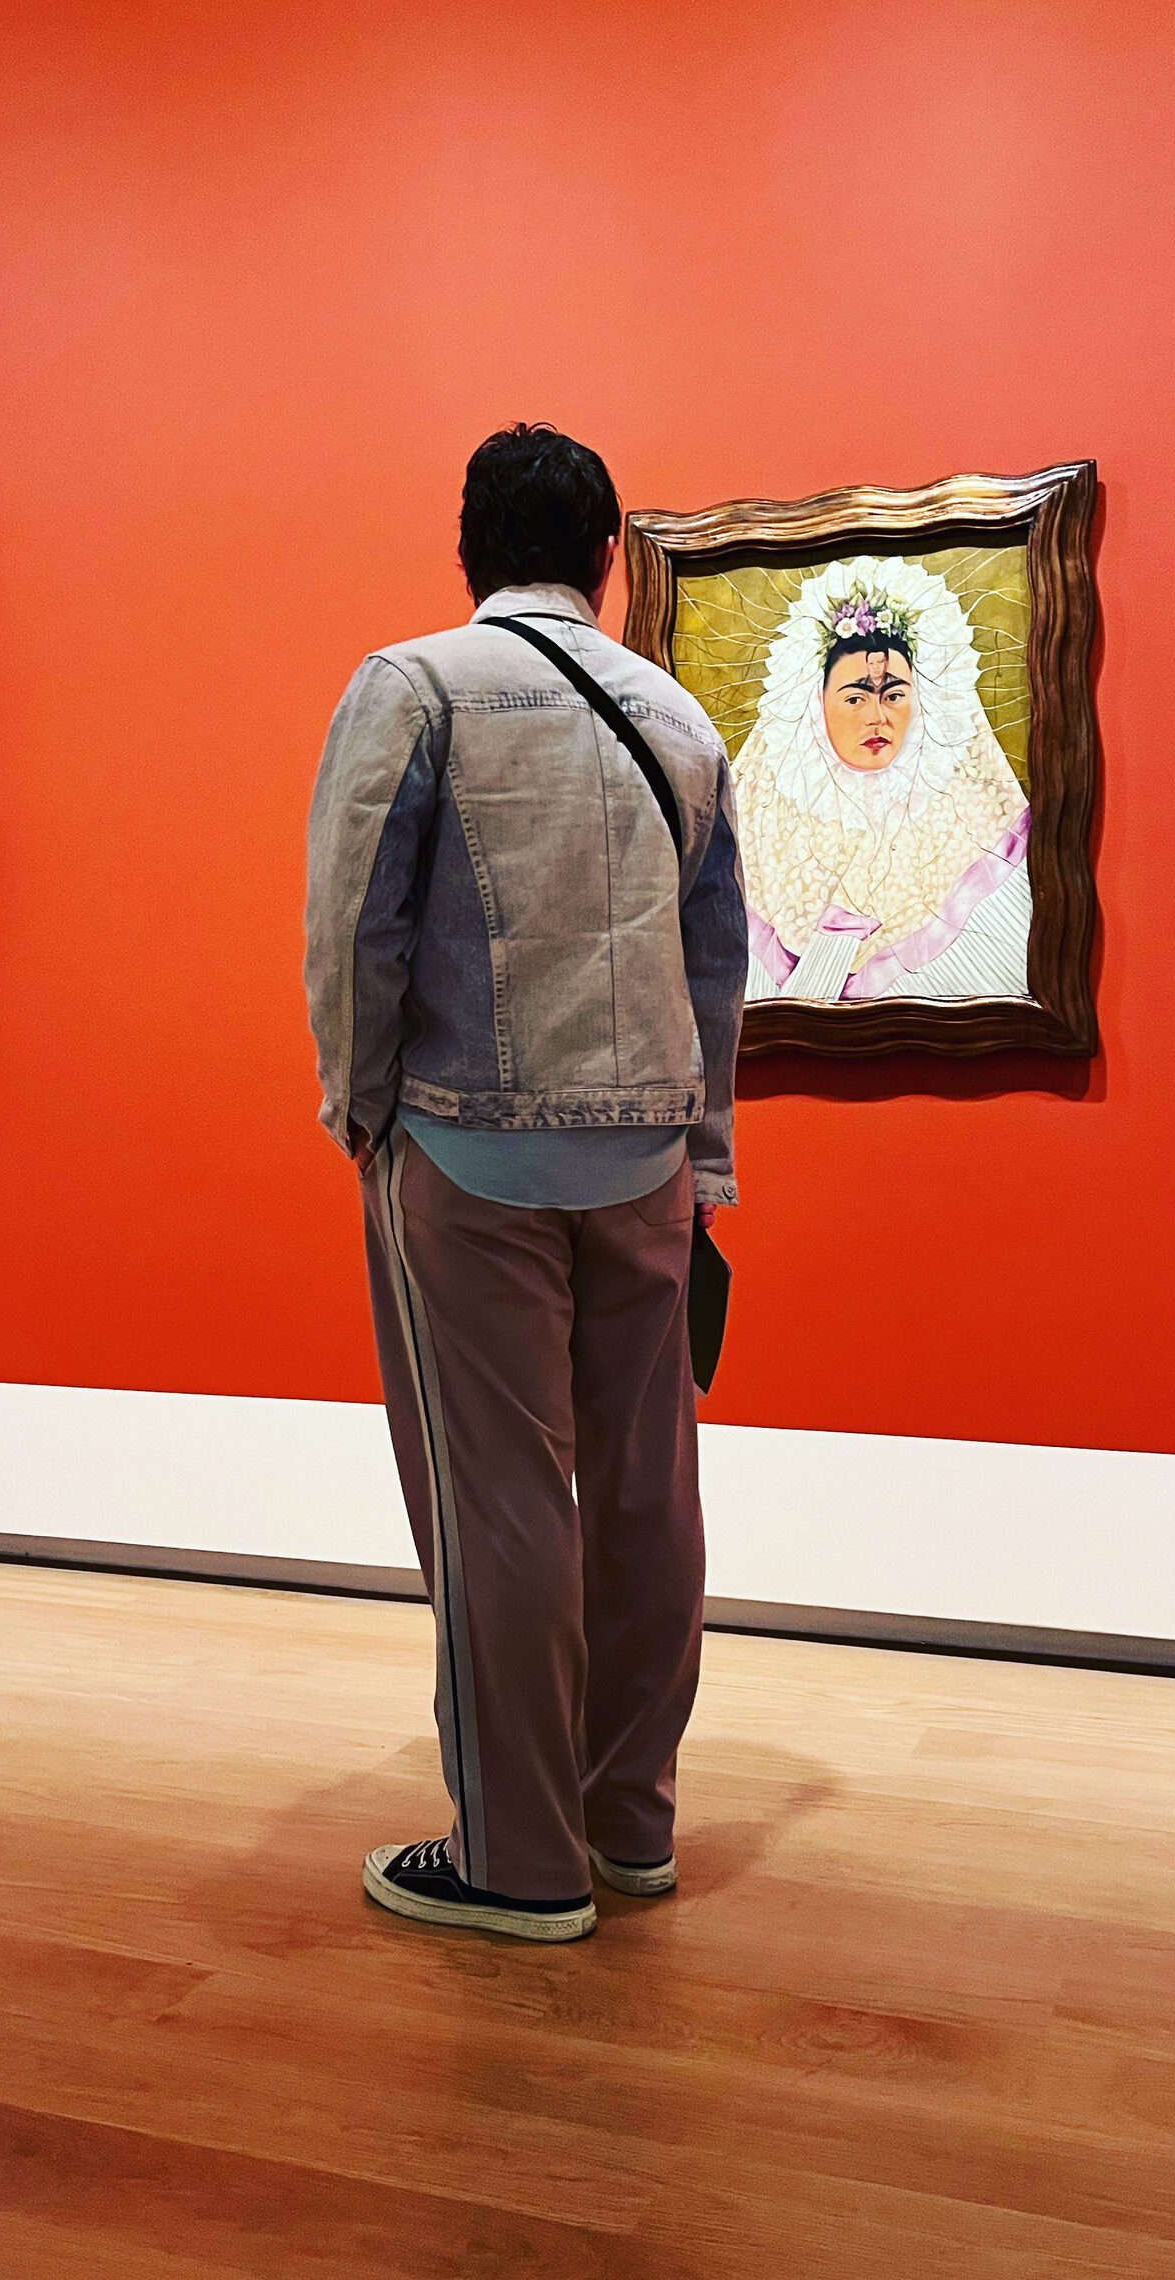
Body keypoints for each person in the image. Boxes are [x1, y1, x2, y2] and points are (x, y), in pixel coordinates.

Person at [305, 424, 747, 1944]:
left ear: (468, 549)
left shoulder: (412, 688)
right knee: (644, 1488)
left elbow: (355, 925)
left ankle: (519, 1859)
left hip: (466, 1148)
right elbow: (715, 966)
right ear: (608, 554)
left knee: (498, 1497)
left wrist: (362, 1111)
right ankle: (630, 1826)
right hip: (647, 1160)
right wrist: (704, 1154)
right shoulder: (678, 718)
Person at [733, 555, 1032, 1002]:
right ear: (816, 705)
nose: (877, 718)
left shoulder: (976, 827)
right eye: (855, 699)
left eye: (893, 695)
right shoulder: (762, 829)